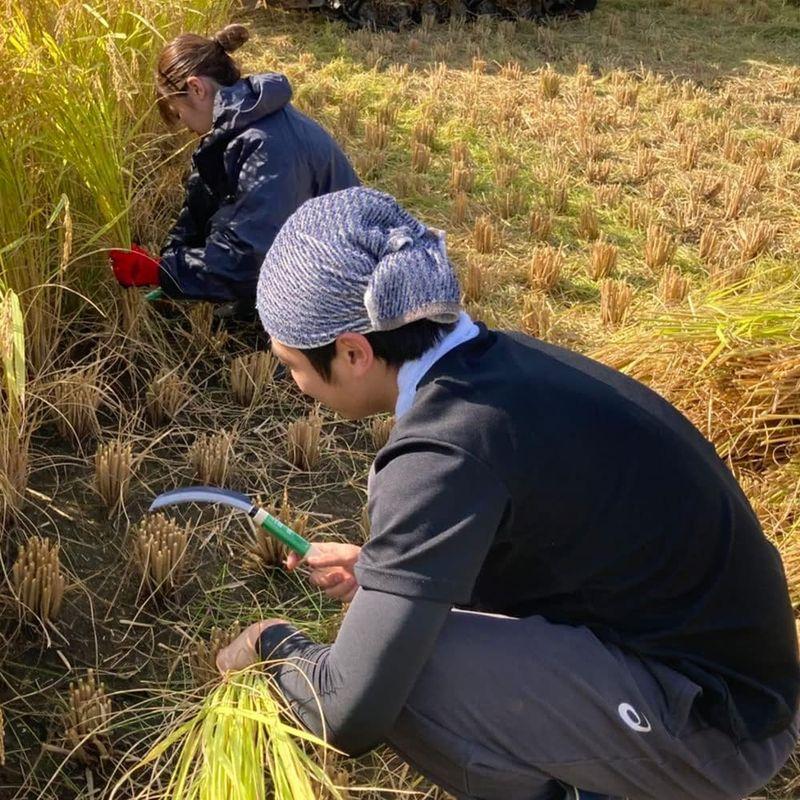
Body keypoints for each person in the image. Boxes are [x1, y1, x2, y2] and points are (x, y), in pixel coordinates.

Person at [217, 187, 799, 800]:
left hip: (722, 726)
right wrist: (383, 570)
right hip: (742, 676)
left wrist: (271, 647)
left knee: (407, 675)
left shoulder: (443, 452)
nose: (294, 382)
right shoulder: (498, 374)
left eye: (292, 364)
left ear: (354, 351)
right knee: (402, 632)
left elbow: (349, 711)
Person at [109, 24, 359, 318]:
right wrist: (171, 255)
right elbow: (205, 203)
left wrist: (162, 273)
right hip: (306, 258)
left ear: (196, 88)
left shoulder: (265, 146)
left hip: (341, 281)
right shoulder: (238, 125)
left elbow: (247, 258)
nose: (186, 127)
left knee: (283, 352)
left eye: (179, 113)